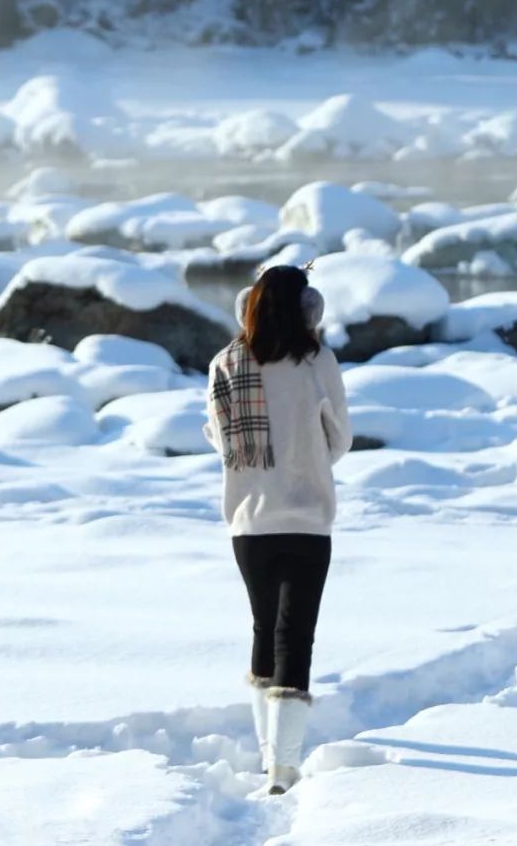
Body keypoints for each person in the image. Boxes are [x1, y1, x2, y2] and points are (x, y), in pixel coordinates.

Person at [204, 263, 353, 796]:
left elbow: (222, 440)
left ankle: (270, 753)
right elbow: (341, 439)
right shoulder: (317, 361)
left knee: (264, 629)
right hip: (308, 516)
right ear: (307, 307)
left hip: (248, 519)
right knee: (297, 636)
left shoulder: (225, 362)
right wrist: (306, 458)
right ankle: (283, 769)